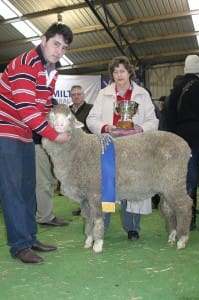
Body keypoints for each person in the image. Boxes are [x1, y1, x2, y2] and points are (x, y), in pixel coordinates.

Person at [0, 23, 73, 264]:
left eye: (64, 47)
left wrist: (56, 126)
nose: (59, 50)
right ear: (43, 40)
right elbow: (27, 109)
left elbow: (42, 109)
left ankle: (30, 238)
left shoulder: (50, 70)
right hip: (5, 132)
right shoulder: (25, 64)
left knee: (28, 188)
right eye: (56, 44)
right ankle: (19, 245)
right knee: (13, 192)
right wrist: (55, 135)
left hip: (23, 133)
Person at [86, 56, 158, 241]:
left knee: (133, 186)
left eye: (122, 71)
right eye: (115, 72)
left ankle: (132, 227)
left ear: (129, 73)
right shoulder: (103, 94)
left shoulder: (142, 94)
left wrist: (141, 128)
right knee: (107, 187)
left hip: (135, 146)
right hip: (110, 145)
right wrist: (106, 128)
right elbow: (91, 119)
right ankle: (103, 225)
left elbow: (153, 120)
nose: (119, 75)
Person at [166, 54, 199, 230]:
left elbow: (169, 117)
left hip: (183, 139)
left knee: (189, 177)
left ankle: (189, 217)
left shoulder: (176, 90)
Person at [34, 98, 69, 227]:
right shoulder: (41, 100)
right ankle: (45, 216)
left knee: (45, 181)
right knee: (44, 182)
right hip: (40, 144)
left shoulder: (51, 101)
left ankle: (41, 213)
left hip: (48, 145)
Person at [69, 85, 93, 215]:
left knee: (90, 179)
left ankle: (90, 204)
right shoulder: (68, 111)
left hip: (89, 149)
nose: (76, 96)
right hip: (72, 150)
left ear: (83, 95)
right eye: (73, 94)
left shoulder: (91, 109)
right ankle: (83, 205)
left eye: (79, 94)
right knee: (79, 179)